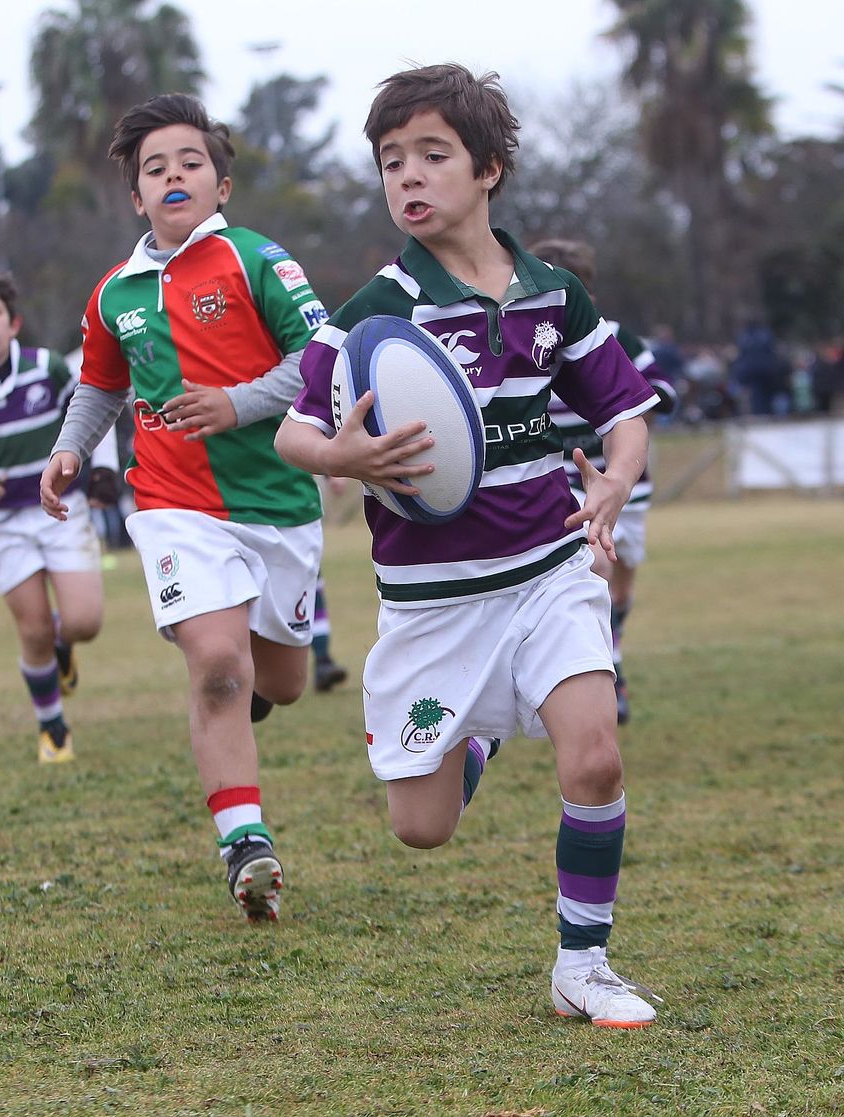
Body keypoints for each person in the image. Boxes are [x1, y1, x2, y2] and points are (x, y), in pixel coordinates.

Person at [276, 63, 662, 1027]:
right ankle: (480, 732)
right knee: (422, 827)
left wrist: (615, 477)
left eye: (431, 155)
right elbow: (289, 431)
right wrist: (344, 454)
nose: (407, 176)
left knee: (597, 761)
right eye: (389, 160)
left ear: (489, 169)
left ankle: (584, 963)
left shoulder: (552, 295)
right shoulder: (375, 309)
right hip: (432, 606)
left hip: (549, 574)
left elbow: (625, 411)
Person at [42, 93, 330, 922]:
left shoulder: (256, 259)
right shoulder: (114, 294)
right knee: (215, 663)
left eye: (190, 163)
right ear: (136, 198)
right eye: (154, 169)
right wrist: (70, 447)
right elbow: (99, 383)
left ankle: (247, 696)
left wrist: (237, 403)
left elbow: (317, 356)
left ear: (222, 185)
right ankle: (245, 840)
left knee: (281, 678)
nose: (174, 176)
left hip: (278, 502)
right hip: (173, 504)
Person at [0, 266, 117, 763]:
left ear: (14, 323)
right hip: (2, 526)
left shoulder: (49, 367)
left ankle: (64, 648)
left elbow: (95, 409)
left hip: (60, 509)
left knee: (83, 621)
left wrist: (101, 469)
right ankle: (52, 727)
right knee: (32, 628)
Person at [529, 238, 677, 724]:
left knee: (624, 569)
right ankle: (604, 669)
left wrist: (624, 429)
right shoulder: (530, 339)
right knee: (595, 564)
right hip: (567, 478)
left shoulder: (615, 337)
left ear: (582, 291)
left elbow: (658, 392)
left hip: (625, 482)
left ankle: (612, 645)